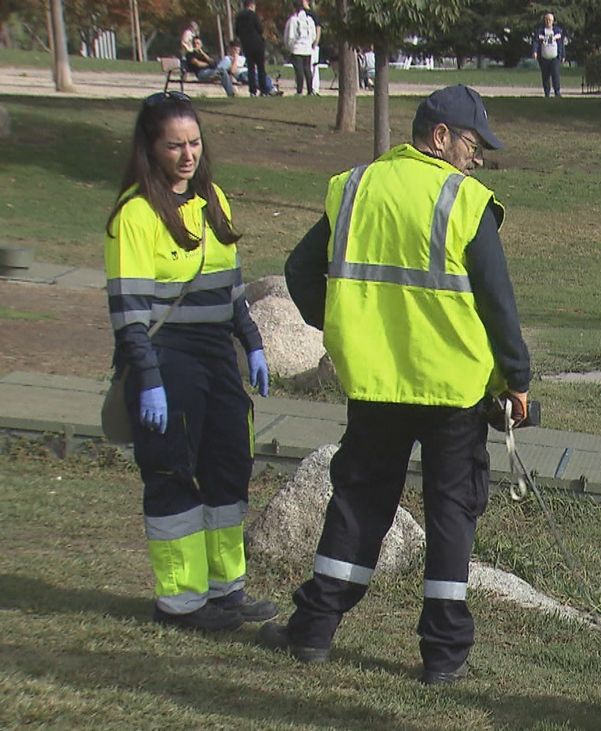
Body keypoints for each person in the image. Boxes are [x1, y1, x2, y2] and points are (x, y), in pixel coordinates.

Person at [259, 84, 531, 686]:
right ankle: (443, 658)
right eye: (473, 144)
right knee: (451, 515)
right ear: (440, 137)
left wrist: (344, 325)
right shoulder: (465, 202)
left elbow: (300, 271)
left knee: (358, 502)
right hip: (453, 390)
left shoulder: (356, 187)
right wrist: (517, 378)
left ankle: (314, 630)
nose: (477, 158)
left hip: (375, 383)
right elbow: (498, 303)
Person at [103, 90, 276, 633]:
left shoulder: (214, 199)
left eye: (194, 143)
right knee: (173, 473)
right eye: (174, 145)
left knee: (229, 465)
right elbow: (129, 314)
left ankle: (226, 590)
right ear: (151, 148)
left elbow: (231, 287)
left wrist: (252, 343)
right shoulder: (134, 214)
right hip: (167, 357)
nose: (187, 155)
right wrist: (148, 378)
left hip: (216, 355)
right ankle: (181, 602)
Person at [233, 0, 268, 97]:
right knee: (261, 68)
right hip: (257, 44)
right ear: (252, 5)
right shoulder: (253, 15)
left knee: (250, 68)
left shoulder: (239, 17)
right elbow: (260, 29)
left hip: (246, 45)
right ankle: (263, 90)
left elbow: (236, 31)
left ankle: (252, 91)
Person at [282, 0, 316, 95]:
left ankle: (299, 90)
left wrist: (290, 47)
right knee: (307, 70)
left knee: (299, 70)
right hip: (307, 48)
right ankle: (310, 90)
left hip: (297, 49)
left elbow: (289, 36)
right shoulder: (309, 20)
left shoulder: (293, 20)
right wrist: (309, 43)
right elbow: (313, 34)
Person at [530, 12, 566, 98]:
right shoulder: (540, 31)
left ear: (553, 21)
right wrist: (534, 51)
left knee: (555, 75)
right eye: (546, 20)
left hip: (555, 57)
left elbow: (561, 44)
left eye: (550, 20)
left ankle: (557, 92)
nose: (548, 21)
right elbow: (535, 42)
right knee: (545, 76)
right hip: (544, 57)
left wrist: (563, 55)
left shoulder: (558, 31)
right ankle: (547, 93)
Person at [304, 0, 324, 94]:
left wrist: (316, 41)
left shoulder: (312, 14)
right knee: (304, 67)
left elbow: (318, 27)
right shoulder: (299, 15)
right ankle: (305, 87)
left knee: (313, 67)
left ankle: (315, 88)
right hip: (303, 45)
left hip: (312, 45)